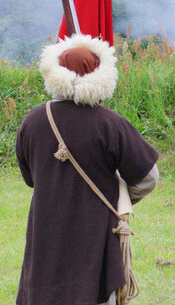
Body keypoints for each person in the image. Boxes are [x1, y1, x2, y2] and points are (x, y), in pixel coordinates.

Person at [16, 34, 159, 305]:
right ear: (100, 76)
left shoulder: (31, 123)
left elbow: (31, 179)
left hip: (46, 233)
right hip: (95, 235)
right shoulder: (111, 124)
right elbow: (147, 179)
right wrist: (117, 198)